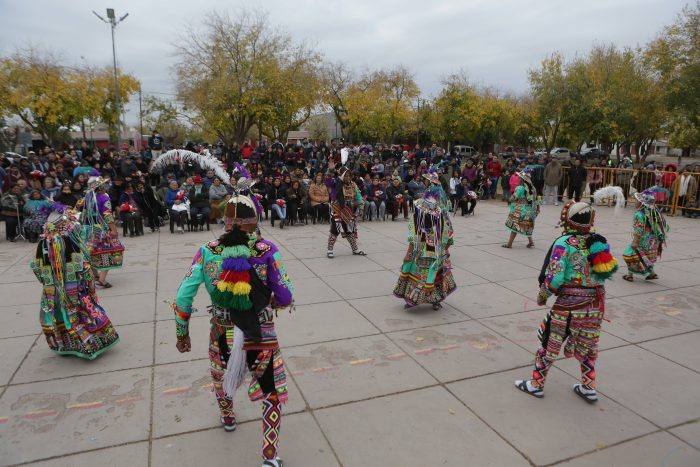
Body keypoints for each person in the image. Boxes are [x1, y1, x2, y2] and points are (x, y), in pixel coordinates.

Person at [173, 192, 293, 467]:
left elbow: (183, 297)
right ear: (255, 221)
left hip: (221, 331)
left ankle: (227, 417)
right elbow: (286, 297)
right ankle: (269, 455)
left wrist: (182, 333)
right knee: (271, 392)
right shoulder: (267, 251)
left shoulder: (207, 251)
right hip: (259, 332)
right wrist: (271, 299)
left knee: (221, 375)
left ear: (225, 221)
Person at [515, 199, 618, 402]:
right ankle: (589, 386)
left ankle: (536, 384)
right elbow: (604, 272)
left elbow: (555, 277)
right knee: (588, 344)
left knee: (549, 342)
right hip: (594, 305)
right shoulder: (599, 242)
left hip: (569, 305)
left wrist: (542, 296)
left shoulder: (564, 243)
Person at [30, 209, 119, 359]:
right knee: (81, 314)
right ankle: (89, 346)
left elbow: (36, 268)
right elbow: (83, 267)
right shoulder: (69, 241)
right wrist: (90, 286)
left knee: (57, 315)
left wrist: (48, 283)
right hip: (74, 289)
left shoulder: (42, 243)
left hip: (52, 291)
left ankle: (65, 345)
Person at [394, 184, 456, 310]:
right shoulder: (439, 218)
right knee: (432, 277)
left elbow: (413, 240)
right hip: (435, 253)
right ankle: (434, 300)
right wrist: (444, 252)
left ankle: (417, 299)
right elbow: (447, 238)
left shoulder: (419, 219)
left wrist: (408, 255)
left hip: (425, 253)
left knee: (423, 276)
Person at [81, 176, 124, 288]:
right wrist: (113, 229)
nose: (106, 186)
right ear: (101, 187)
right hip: (100, 230)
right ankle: (102, 279)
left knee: (91, 253)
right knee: (109, 251)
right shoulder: (104, 198)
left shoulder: (87, 198)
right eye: (104, 185)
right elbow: (107, 215)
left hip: (87, 229)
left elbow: (83, 214)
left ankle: (95, 275)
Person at [622, 189, 669, 282]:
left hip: (642, 239)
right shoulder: (654, 212)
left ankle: (630, 275)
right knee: (645, 257)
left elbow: (638, 230)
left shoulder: (639, 214)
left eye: (637, 201)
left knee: (629, 254)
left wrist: (635, 241)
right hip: (652, 240)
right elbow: (663, 226)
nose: (636, 202)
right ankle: (652, 274)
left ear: (642, 203)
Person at [325, 161, 365, 258]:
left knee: (349, 230)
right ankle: (329, 250)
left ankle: (355, 249)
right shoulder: (336, 182)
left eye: (349, 176)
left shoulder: (353, 184)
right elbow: (327, 181)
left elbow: (358, 196)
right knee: (335, 230)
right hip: (337, 208)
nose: (347, 177)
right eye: (345, 175)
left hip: (348, 209)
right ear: (341, 175)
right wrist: (330, 170)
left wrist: (361, 207)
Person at [503, 169, 539, 249]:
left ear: (523, 180)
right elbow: (536, 199)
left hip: (520, 209)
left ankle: (509, 244)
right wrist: (538, 209)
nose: (517, 179)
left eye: (519, 178)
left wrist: (509, 199)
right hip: (529, 209)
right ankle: (530, 241)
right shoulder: (532, 188)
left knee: (515, 226)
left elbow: (514, 197)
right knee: (527, 225)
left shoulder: (520, 188)